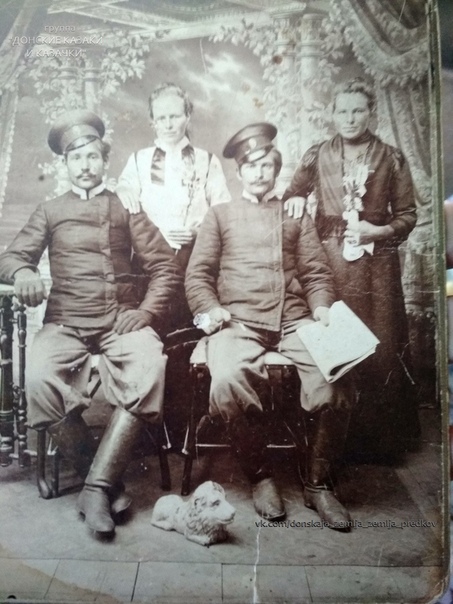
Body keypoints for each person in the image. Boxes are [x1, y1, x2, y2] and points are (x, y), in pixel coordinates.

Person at [0, 110, 182, 537]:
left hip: (120, 319)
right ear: (65, 164)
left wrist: (145, 312)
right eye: (76, 157)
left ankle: (94, 489)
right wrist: (23, 272)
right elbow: (11, 257)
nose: (85, 165)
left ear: (104, 160)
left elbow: (166, 267)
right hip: (66, 321)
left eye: (92, 156)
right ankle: (103, 485)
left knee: (149, 366)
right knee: (39, 378)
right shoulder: (50, 210)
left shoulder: (126, 207)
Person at [185, 123, 355, 530]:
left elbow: (316, 273)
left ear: (277, 170)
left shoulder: (294, 214)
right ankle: (260, 475)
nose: (260, 173)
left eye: (267, 165)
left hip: (294, 319)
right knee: (227, 380)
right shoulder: (219, 214)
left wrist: (322, 309)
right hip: (238, 321)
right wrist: (211, 310)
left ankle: (318, 484)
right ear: (239, 172)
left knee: (336, 375)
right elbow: (198, 275)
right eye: (252, 166)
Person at [283, 78, 419, 459]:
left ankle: (378, 446)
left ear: (371, 112)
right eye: (342, 110)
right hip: (331, 263)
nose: (350, 118)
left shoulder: (391, 157)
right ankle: (334, 443)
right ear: (332, 113)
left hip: (377, 267)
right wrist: (296, 199)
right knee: (336, 343)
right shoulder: (317, 155)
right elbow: (292, 193)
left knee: (380, 347)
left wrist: (380, 230)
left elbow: (408, 215)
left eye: (358, 110)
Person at [116, 82, 232, 273]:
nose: (168, 125)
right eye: (161, 118)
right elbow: (124, 191)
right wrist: (123, 189)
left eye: (175, 116)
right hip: (148, 258)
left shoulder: (207, 160)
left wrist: (197, 232)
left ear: (187, 117)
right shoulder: (139, 160)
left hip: (193, 257)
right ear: (153, 121)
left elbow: (222, 210)